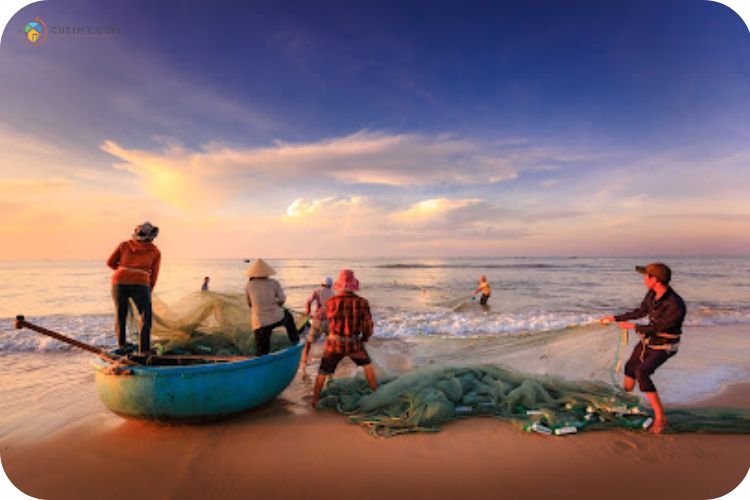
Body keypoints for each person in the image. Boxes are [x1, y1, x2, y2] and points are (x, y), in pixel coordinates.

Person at [601, 262, 686, 434]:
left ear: (654, 279)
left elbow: (660, 328)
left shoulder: (675, 304)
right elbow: (640, 312)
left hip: (666, 345)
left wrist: (633, 328)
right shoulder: (652, 293)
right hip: (649, 340)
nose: (643, 279)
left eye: (645, 276)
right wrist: (615, 318)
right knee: (630, 369)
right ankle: (624, 402)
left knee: (642, 372)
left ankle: (660, 417)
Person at [311, 269, 378, 408]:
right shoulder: (362, 302)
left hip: (334, 344)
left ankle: (315, 401)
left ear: (339, 286)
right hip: (354, 343)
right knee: (368, 367)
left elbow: (321, 321)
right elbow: (368, 326)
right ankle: (376, 396)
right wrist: (364, 339)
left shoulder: (330, 302)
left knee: (322, 372)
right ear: (353, 286)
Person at [106, 222, 161, 355]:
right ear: (152, 237)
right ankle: (144, 350)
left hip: (118, 281)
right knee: (145, 316)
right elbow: (154, 275)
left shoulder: (124, 245)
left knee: (120, 314)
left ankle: (122, 345)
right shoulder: (155, 251)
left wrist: (124, 271)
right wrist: (149, 288)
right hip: (141, 283)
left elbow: (110, 263)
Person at [244, 258, 300, 356]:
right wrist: (277, 304)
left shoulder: (249, 285)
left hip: (259, 322)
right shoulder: (274, 283)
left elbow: (249, 304)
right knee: (288, 317)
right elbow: (282, 300)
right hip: (275, 317)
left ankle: (260, 364)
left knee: (262, 349)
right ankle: (295, 342)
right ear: (267, 273)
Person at [300, 276, 334, 367]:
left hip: (318, 319)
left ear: (321, 284)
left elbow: (308, 301)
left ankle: (304, 359)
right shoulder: (333, 293)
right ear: (330, 285)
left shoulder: (317, 291)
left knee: (309, 341)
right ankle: (327, 358)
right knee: (329, 340)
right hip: (330, 320)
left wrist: (308, 311)